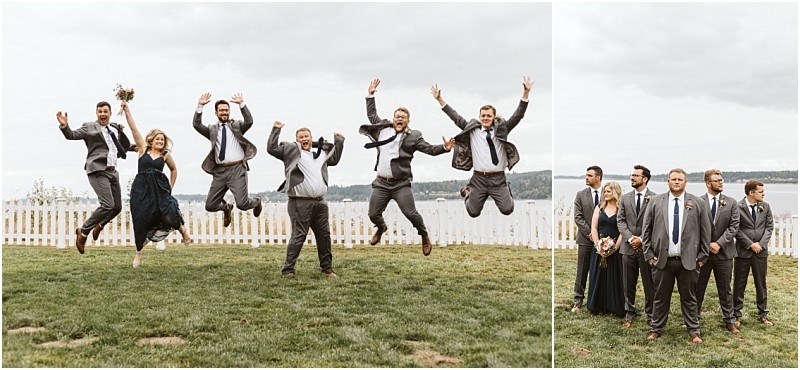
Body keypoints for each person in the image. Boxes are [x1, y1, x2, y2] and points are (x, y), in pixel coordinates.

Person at [360, 79, 454, 256]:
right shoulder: (383, 129)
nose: (399, 119)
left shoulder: (414, 136)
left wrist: (445, 148)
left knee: (410, 213)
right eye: (397, 116)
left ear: (408, 121)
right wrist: (370, 94)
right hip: (381, 183)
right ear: (393, 119)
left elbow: (430, 149)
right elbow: (372, 115)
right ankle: (381, 228)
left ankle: (424, 235)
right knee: (373, 214)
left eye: (403, 117)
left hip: (400, 184)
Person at [430, 76, 532, 217]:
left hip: (499, 179)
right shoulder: (472, 131)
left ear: (494, 117)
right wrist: (440, 100)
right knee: (473, 212)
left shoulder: (503, 129)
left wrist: (526, 94)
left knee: (507, 209)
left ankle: (506, 189)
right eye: (483, 115)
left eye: (488, 116)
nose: (485, 118)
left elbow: (518, 115)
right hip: (478, 179)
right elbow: (455, 117)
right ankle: (467, 191)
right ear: (479, 117)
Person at [267, 121, 344, 278]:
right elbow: (271, 148)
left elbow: (334, 159)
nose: (304, 139)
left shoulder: (320, 154)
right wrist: (276, 130)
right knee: (299, 235)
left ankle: (327, 269)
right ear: (296, 140)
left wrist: (339, 141)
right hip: (299, 202)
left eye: (306, 136)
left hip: (320, 202)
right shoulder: (291, 153)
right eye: (300, 137)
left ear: (311, 138)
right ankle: (288, 270)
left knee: (324, 235)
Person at [121, 101, 193, 267]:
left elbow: (174, 170)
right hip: (141, 190)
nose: (160, 141)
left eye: (163, 139)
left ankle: (182, 231)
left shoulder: (166, 155)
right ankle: (138, 254)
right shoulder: (142, 149)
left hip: (160, 190)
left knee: (169, 211)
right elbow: (133, 128)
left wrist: (170, 188)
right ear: (151, 140)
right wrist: (126, 109)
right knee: (141, 220)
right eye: (158, 139)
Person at [643, 168, 710, 344]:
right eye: (673, 179)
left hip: (689, 261)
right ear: (668, 182)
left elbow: (705, 232)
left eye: (680, 179)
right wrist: (649, 255)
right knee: (660, 297)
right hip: (662, 261)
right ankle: (656, 329)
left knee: (689, 298)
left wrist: (702, 257)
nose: (677, 182)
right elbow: (646, 230)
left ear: (685, 181)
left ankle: (694, 331)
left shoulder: (697, 203)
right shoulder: (656, 201)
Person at [58, 101, 132, 253]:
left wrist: (134, 147)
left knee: (117, 207)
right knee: (107, 204)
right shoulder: (89, 126)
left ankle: (99, 225)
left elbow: (116, 146)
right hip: (97, 169)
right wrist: (65, 126)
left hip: (112, 171)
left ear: (110, 113)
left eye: (105, 111)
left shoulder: (115, 128)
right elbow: (72, 135)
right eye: (100, 112)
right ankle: (83, 232)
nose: (103, 114)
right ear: (96, 113)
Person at [192, 92, 262, 228]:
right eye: (221, 110)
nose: (224, 112)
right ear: (216, 113)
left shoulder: (237, 126)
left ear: (229, 111)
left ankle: (257, 202)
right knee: (210, 205)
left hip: (237, 169)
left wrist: (242, 104)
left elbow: (249, 121)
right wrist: (200, 106)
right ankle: (226, 208)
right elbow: (197, 125)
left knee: (242, 204)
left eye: (226, 110)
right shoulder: (212, 130)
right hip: (219, 172)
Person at [696, 169, 740, 334]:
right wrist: (707, 244)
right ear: (708, 183)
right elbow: (694, 227)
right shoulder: (698, 202)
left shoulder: (731, 202)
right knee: (698, 287)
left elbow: (734, 226)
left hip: (725, 253)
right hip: (703, 253)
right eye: (717, 180)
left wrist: (719, 244)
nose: (721, 183)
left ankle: (729, 320)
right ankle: (694, 319)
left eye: (721, 180)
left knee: (725, 288)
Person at [617, 165, 656, 328]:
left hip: (646, 249)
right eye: (631, 175)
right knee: (628, 282)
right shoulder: (625, 198)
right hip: (628, 247)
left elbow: (656, 224)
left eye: (635, 175)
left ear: (645, 179)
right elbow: (620, 220)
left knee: (649, 284)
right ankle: (629, 313)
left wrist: (642, 239)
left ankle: (652, 314)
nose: (632, 178)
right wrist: (630, 238)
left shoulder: (655, 198)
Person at [733, 180, 774, 327]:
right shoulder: (737, 207)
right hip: (743, 252)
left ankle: (763, 314)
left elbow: (769, 227)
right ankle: (736, 314)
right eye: (761, 191)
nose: (764, 194)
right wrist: (750, 245)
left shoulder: (765, 206)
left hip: (760, 253)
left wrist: (761, 245)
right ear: (751, 192)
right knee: (739, 284)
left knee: (761, 284)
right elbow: (736, 229)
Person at [587, 181, 625, 317]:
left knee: (616, 277)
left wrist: (614, 247)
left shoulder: (621, 208)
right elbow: (594, 227)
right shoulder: (599, 207)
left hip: (616, 249)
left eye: (608, 191)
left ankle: (614, 305)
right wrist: (599, 246)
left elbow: (623, 231)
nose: (605, 194)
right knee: (598, 275)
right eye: (604, 191)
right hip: (599, 249)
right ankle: (597, 305)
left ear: (615, 192)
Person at [570, 166, 603, 312]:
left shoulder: (607, 193)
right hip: (585, 240)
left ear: (598, 177)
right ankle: (578, 300)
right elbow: (578, 217)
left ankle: (598, 299)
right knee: (582, 270)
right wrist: (591, 234)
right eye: (586, 175)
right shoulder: (580, 195)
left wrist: (601, 237)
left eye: (589, 175)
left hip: (604, 240)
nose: (586, 178)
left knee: (601, 270)